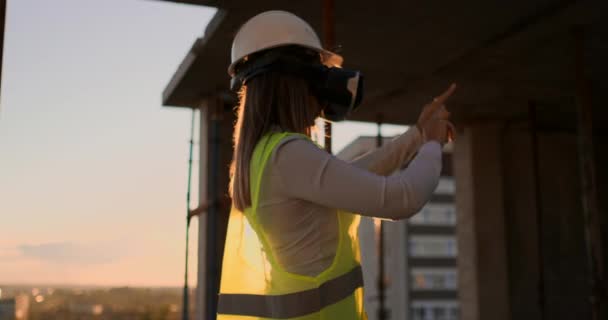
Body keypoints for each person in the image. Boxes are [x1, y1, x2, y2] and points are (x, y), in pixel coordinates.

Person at [218, 10, 455, 320]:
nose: (323, 92)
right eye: (318, 76)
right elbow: (402, 199)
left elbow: (354, 177)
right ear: (297, 83)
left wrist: (418, 136)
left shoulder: (264, 155)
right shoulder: (288, 155)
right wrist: (434, 144)